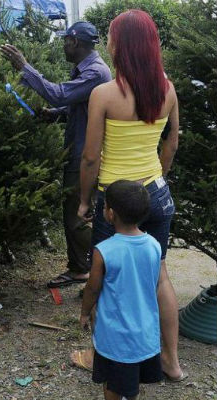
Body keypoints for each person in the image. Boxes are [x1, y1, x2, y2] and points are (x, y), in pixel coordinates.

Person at [75, 9, 184, 381]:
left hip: (115, 200)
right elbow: (172, 142)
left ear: (120, 45)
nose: (106, 41)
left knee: (106, 277)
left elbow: (90, 157)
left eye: (110, 36)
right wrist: (158, 180)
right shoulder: (166, 89)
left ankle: (110, 356)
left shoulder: (104, 94)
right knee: (161, 275)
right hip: (156, 192)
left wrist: (85, 201)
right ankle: (171, 361)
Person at [0, 22, 111, 288]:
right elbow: (79, 106)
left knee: (77, 218)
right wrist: (55, 115)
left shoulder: (95, 72)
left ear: (75, 42)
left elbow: (59, 94)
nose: (62, 45)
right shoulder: (86, 69)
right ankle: (80, 268)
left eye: (65, 41)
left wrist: (24, 67)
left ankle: (97, 271)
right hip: (79, 150)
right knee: (72, 213)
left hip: (85, 155)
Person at [80, 180, 164, 400]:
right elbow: (153, 283)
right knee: (131, 383)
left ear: (110, 213)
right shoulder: (154, 245)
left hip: (116, 337)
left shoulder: (104, 251)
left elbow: (92, 288)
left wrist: (84, 312)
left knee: (113, 385)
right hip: (145, 333)